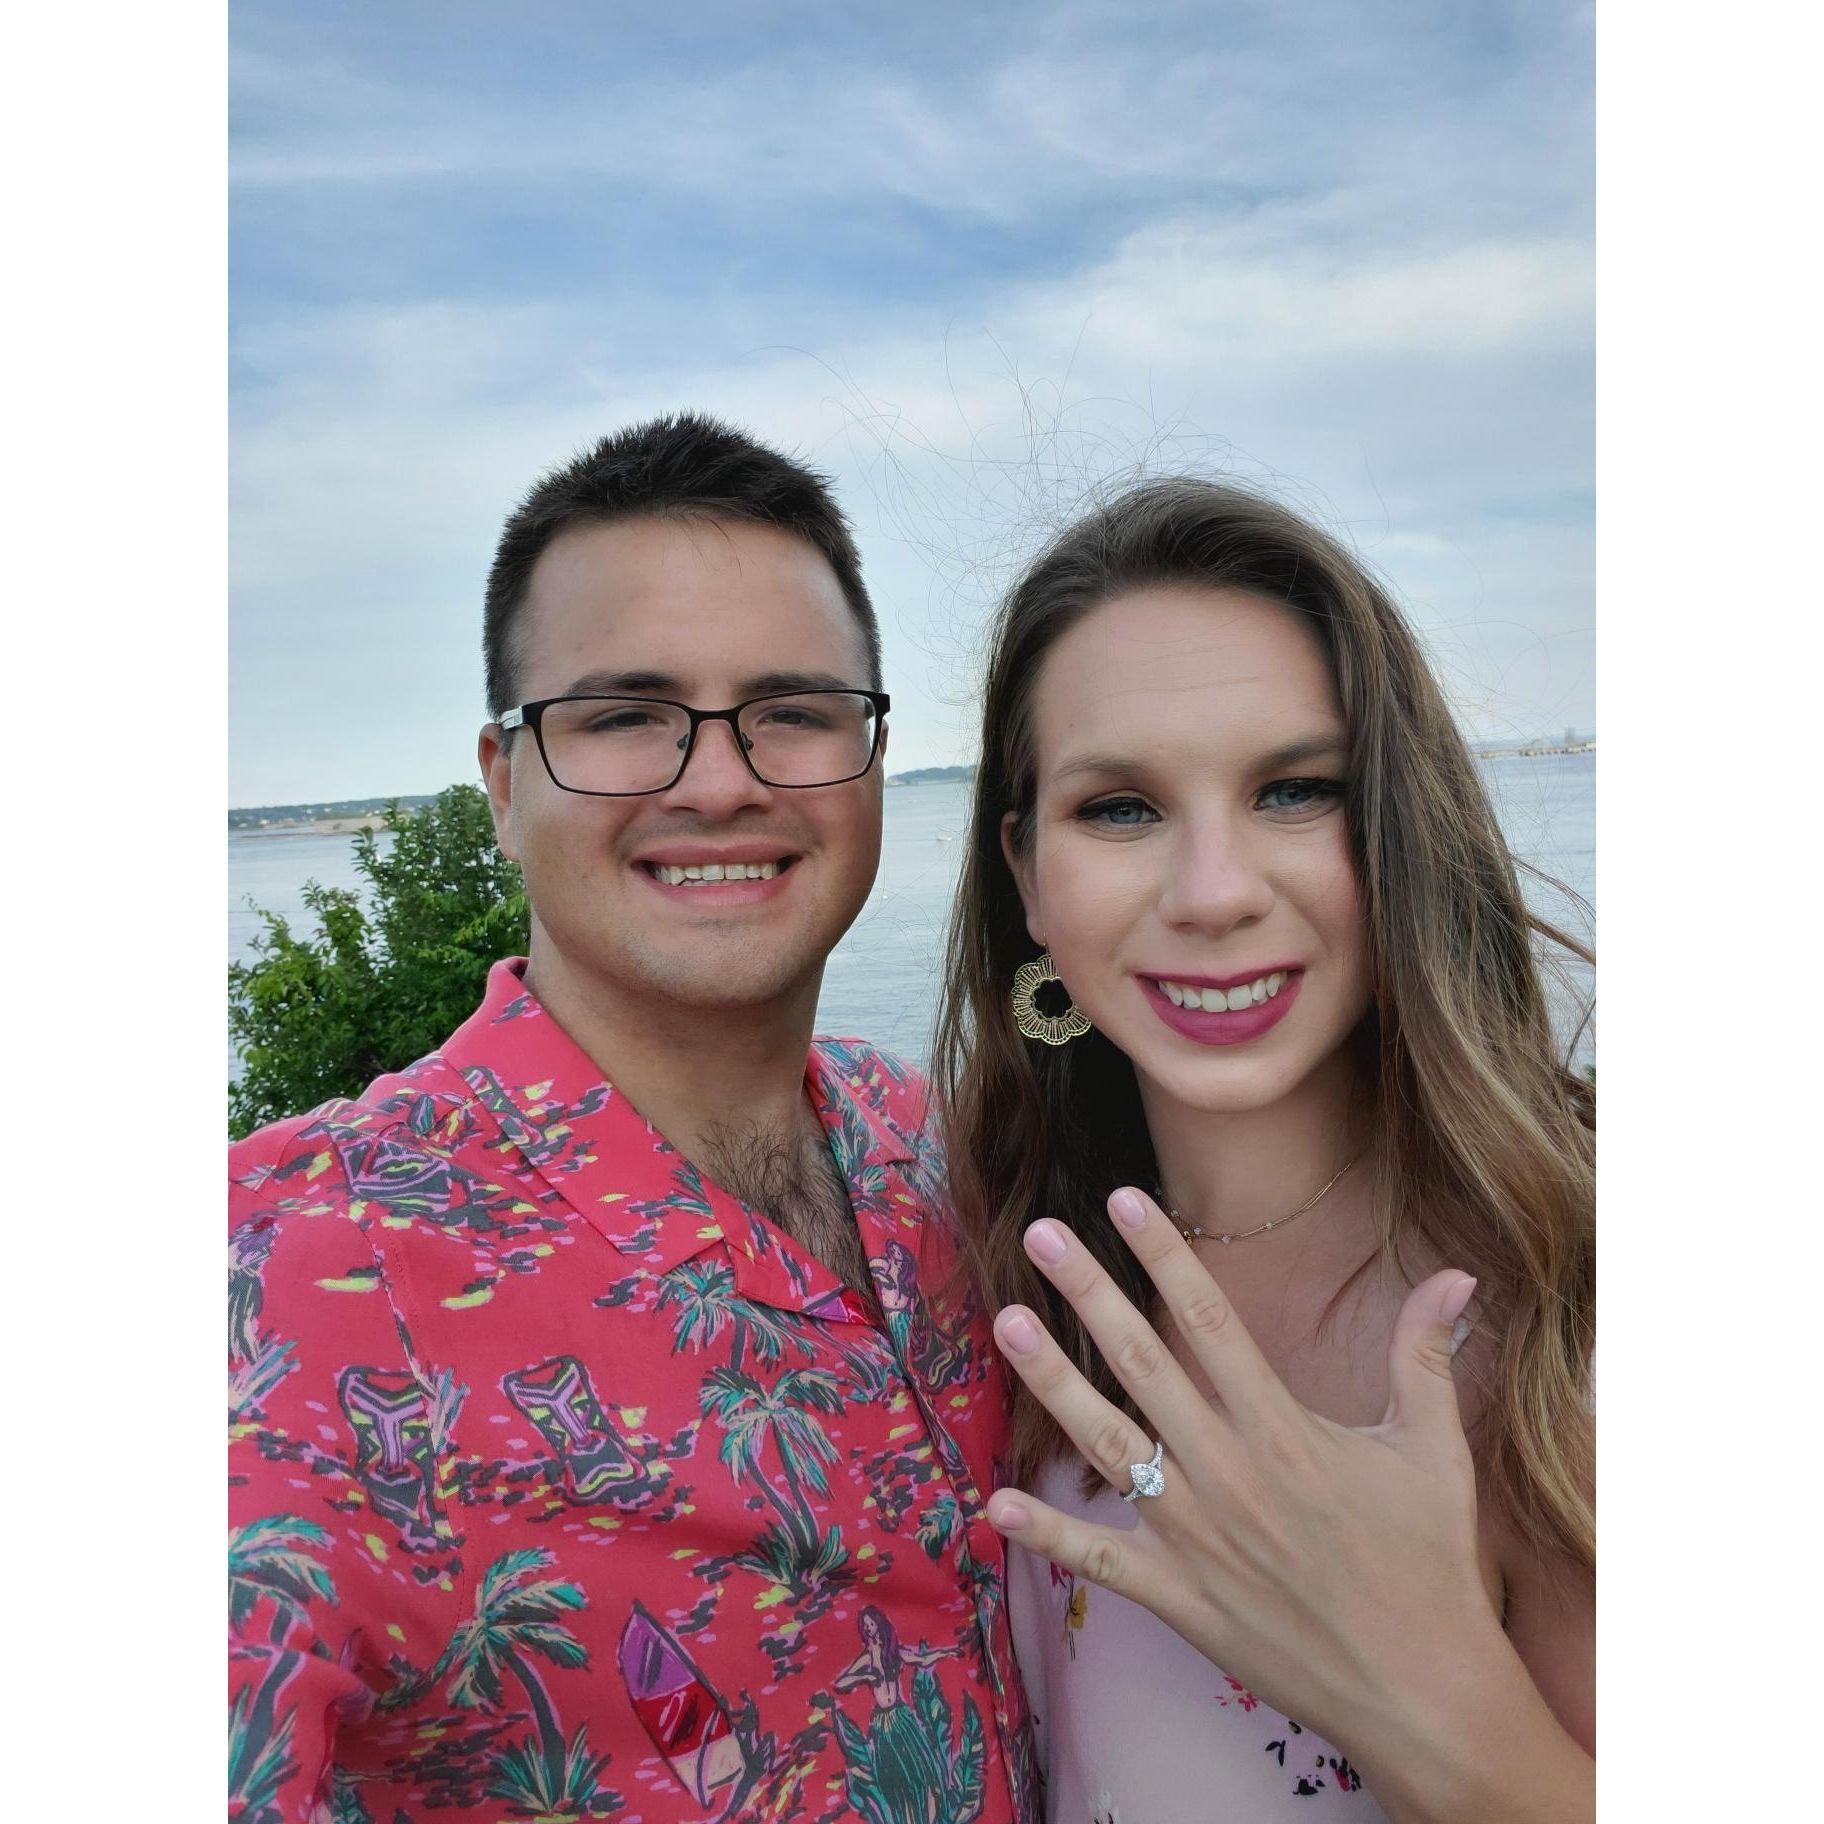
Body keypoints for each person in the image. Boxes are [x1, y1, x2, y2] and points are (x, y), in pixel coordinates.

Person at [228, 413, 1042, 1823]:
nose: (720, 780)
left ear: (869, 758)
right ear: (501, 781)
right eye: (622, 717)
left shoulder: (939, 1151)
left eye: (792, 710)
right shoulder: (288, 1277)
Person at [933, 479, 1596, 1822]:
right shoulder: (1006, 1261)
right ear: (1026, 872)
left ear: (1401, 828)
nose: (1216, 892)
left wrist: (1425, 1697)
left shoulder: (1566, 1301)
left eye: (1295, 791)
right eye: (1120, 809)